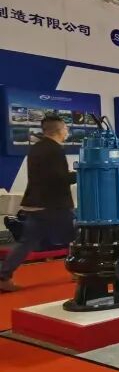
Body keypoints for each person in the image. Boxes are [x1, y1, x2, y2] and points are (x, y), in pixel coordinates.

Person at [0, 115, 77, 292]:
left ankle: (4, 275)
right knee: (75, 237)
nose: (67, 131)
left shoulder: (36, 148)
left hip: (35, 203)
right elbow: (59, 178)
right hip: (53, 205)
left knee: (27, 242)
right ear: (59, 130)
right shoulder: (55, 150)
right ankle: (79, 270)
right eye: (66, 128)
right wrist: (81, 173)